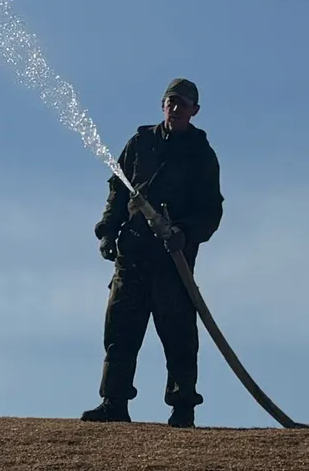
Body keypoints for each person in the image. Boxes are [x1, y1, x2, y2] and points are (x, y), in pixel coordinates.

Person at [80, 78, 223, 428]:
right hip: (132, 256)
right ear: (163, 106)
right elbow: (119, 190)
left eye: (183, 104)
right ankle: (113, 402)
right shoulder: (140, 143)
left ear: (195, 111)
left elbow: (211, 211)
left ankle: (183, 408)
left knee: (179, 338)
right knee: (120, 333)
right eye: (171, 102)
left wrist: (184, 233)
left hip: (173, 264)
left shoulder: (201, 155)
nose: (176, 109)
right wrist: (107, 231)